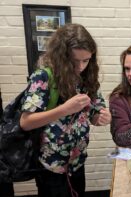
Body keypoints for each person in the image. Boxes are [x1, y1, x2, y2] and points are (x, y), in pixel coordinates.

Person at [19, 23, 111, 197]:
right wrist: (64, 109)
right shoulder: (44, 76)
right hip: (50, 166)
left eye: (86, 60)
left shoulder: (87, 77)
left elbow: (94, 114)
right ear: (61, 56)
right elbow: (26, 122)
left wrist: (102, 117)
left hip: (77, 162)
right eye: (74, 61)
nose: (81, 67)